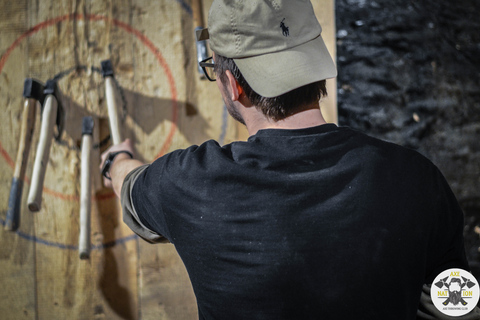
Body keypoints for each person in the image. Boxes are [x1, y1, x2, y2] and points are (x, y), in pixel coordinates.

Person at [100, 0, 472, 319]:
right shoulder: (417, 179)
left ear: (232, 84)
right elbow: (457, 302)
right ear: (315, 64)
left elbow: (129, 184)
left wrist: (116, 160)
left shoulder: (187, 184)